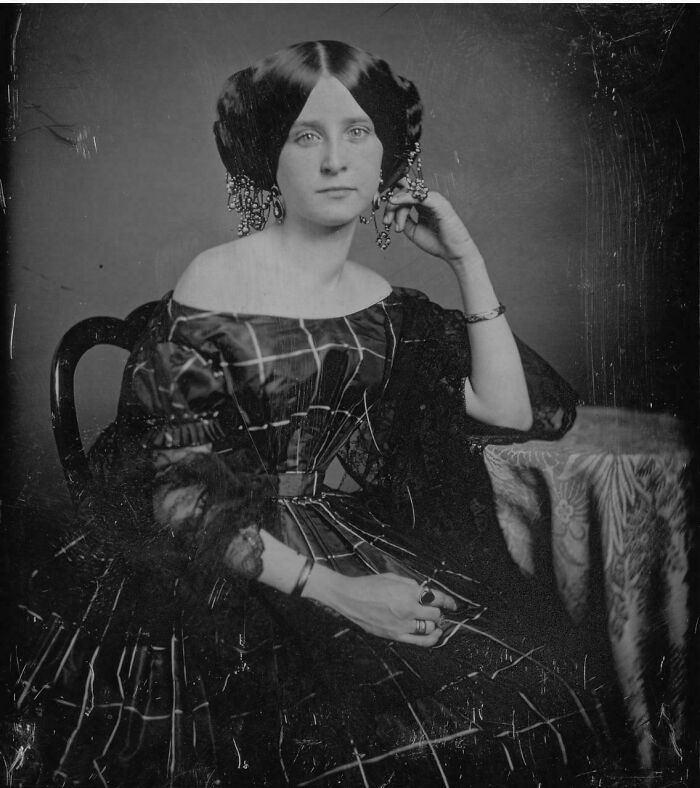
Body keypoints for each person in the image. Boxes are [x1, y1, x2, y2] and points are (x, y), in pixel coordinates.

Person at [14, 40, 613, 787]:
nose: (335, 160)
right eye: (307, 135)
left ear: (388, 154)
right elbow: (179, 494)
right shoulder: (215, 280)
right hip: (223, 565)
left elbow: (505, 409)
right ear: (270, 157)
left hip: (346, 532)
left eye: (358, 132)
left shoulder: (385, 303)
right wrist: (346, 596)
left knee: (518, 702)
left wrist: (466, 260)